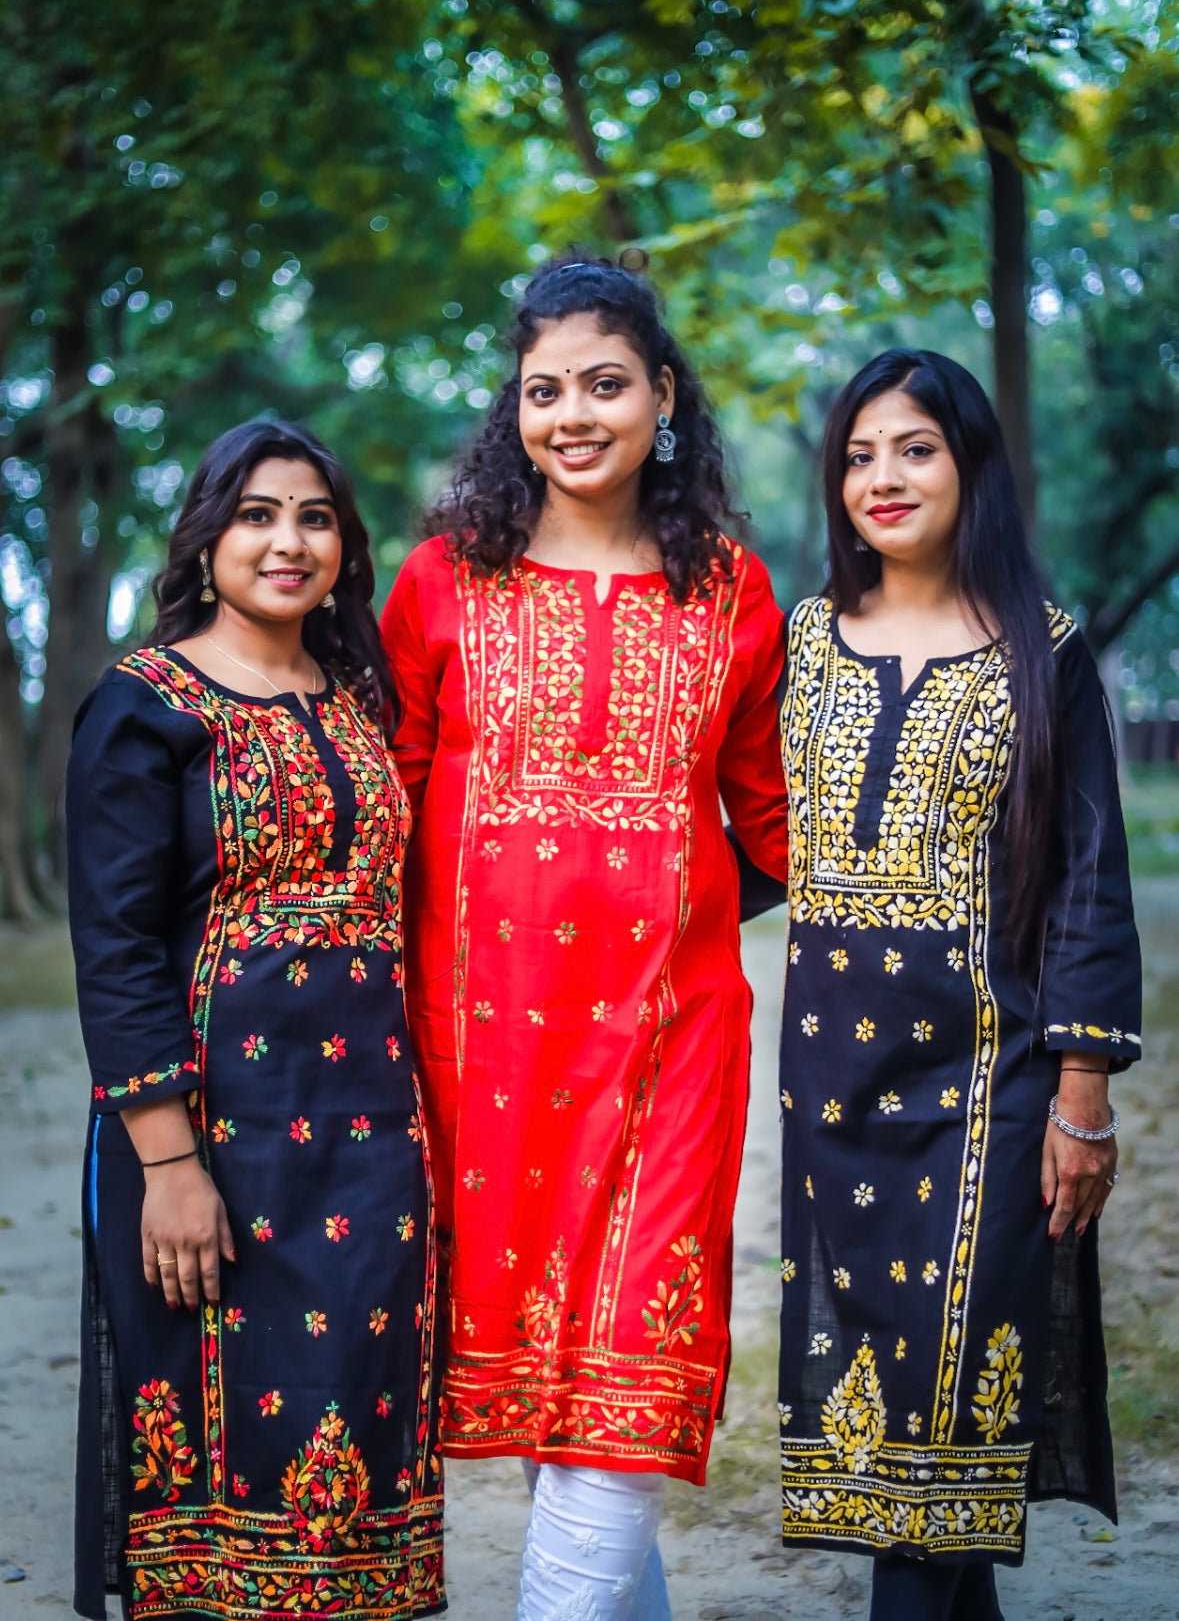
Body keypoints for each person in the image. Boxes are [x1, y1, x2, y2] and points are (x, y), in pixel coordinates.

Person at [380, 255, 789, 1620]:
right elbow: (381, 796)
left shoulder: (733, 591)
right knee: (570, 1413)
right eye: (542, 387)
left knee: (624, 1389)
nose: (571, 412)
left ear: (659, 397)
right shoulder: (440, 577)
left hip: (671, 1052)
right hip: (474, 1060)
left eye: (603, 383)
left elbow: (770, 814)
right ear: (513, 408)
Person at [759, 348, 1141, 1620]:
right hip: (835, 1099)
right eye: (859, 453)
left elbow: (1090, 874)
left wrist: (1082, 1092)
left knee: (941, 1444)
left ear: (970, 463)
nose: (883, 475)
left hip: (991, 1091)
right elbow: (749, 838)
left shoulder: (1041, 649)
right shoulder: (802, 643)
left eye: (914, 446)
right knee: (898, 1471)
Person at [68, 420, 443, 1621]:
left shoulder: (361, 697)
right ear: (209, 534)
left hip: (375, 1144)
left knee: (361, 1456)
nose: (289, 541)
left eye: (315, 516)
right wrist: (169, 1167)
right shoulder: (146, 703)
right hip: (212, 1151)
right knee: (228, 1487)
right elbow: (116, 952)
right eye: (258, 514)